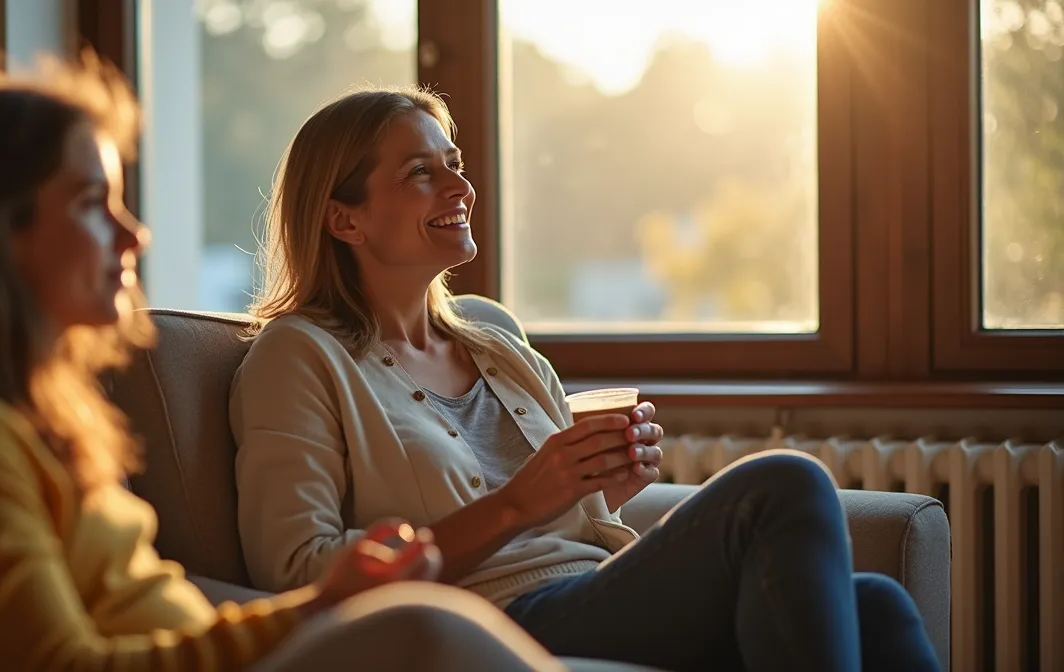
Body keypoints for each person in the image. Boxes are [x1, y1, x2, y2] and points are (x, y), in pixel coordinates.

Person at [0, 57, 566, 671]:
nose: (134, 236)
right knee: (425, 631)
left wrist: (320, 609)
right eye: (93, 203)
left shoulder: (21, 419)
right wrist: (319, 607)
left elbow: (150, 619)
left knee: (425, 629)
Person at [229, 85, 942, 672]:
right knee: (783, 486)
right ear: (343, 221)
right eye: (421, 172)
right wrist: (517, 505)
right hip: (490, 618)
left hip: (588, 587)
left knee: (873, 604)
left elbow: (564, 514)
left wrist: (603, 483)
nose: (461, 186)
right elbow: (297, 576)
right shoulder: (300, 356)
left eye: (455, 162)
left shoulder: (494, 341)